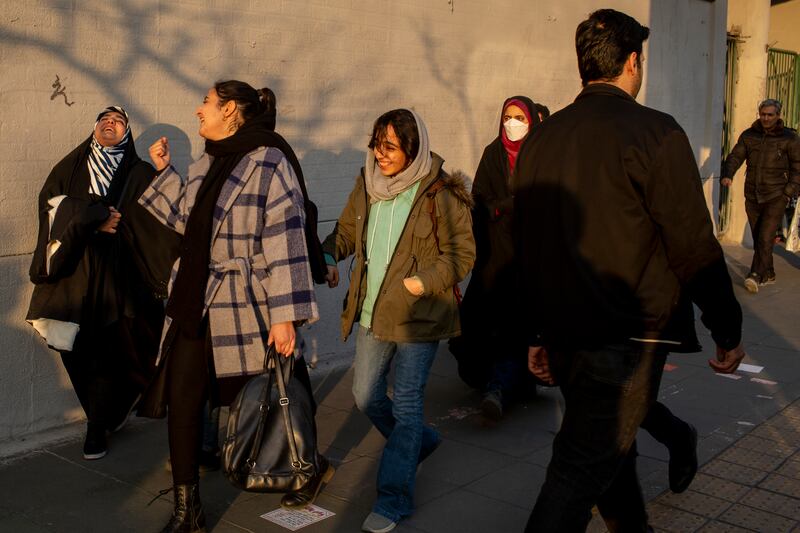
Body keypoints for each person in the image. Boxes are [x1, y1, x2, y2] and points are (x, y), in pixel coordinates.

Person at [513, 9, 745, 532]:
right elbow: (692, 244)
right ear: (633, 62)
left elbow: (524, 250)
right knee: (580, 467)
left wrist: (535, 331)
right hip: (627, 336)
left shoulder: (540, 141)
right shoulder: (655, 133)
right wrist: (726, 329)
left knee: (604, 453)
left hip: (570, 330)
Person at [141, 80, 331, 533]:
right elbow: (188, 221)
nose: (197, 110)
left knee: (278, 390)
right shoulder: (208, 159)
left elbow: (284, 238)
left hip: (248, 301)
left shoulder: (270, 159)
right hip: (195, 298)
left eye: (205, 103)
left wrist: (285, 316)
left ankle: (306, 464)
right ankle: (189, 512)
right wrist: (165, 173)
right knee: (184, 400)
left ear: (231, 110)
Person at [322, 109, 475, 532]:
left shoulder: (440, 192)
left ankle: (393, 499)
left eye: (390, 145)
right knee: (365, 396)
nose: (380, 153)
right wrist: (330, 254)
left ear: (413, 146)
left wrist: (423, 283)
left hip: (419, 317)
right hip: (373, 312)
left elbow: (462, 255)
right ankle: (420, 442)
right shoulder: (367, 183)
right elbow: (347, 230)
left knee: (407, 406)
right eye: (376, 143)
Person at [26, 106, 176, 461]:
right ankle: (107, 412)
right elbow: (50, 206)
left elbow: (163, 215)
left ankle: (97, 425)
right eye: (104, 119)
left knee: (112, 348)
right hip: (74, 274)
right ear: (95, 128)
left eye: (118, 120)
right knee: (74, 348)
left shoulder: (138, 172)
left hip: (120, 277)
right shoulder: (70, 167)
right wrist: (92, 219)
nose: (110, 123)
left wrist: (162, 171)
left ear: (126, 132)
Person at [450, 96, 542, 421]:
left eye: (519, 117)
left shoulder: (541, 155)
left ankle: (498, 388)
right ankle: (500, 381)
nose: (512, 124)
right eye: (507, 117)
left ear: (531, 121)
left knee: (515, 327)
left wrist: (508, 206)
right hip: (494, 258)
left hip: (530, 261)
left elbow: (546, 201)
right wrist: (503, 205)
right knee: (479, 325)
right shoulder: (493, 154)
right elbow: (479, 202)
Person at [721, 98, 800, 293]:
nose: (766, 118)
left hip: (776, 195)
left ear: (778, 115)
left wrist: (788, 192)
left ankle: (755, 275)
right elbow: (736, 156)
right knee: (758, 236)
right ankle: (769, 271)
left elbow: (798, 167)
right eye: (763, 114)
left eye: (770, 115)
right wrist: (727, 174)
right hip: (752, 194)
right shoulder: (749, 135)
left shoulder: (789, 138)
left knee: (766, 237)